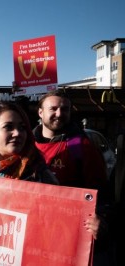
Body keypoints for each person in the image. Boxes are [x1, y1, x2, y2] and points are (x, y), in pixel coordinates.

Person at [32, 90, 111, 263]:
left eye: (65, 109)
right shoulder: (27, 145)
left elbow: (101, 190)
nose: (59, 114)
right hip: (33, 231)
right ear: (40, 112)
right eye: (53, 108)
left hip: (67, 236)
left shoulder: (83, 147)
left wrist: (101, 219)